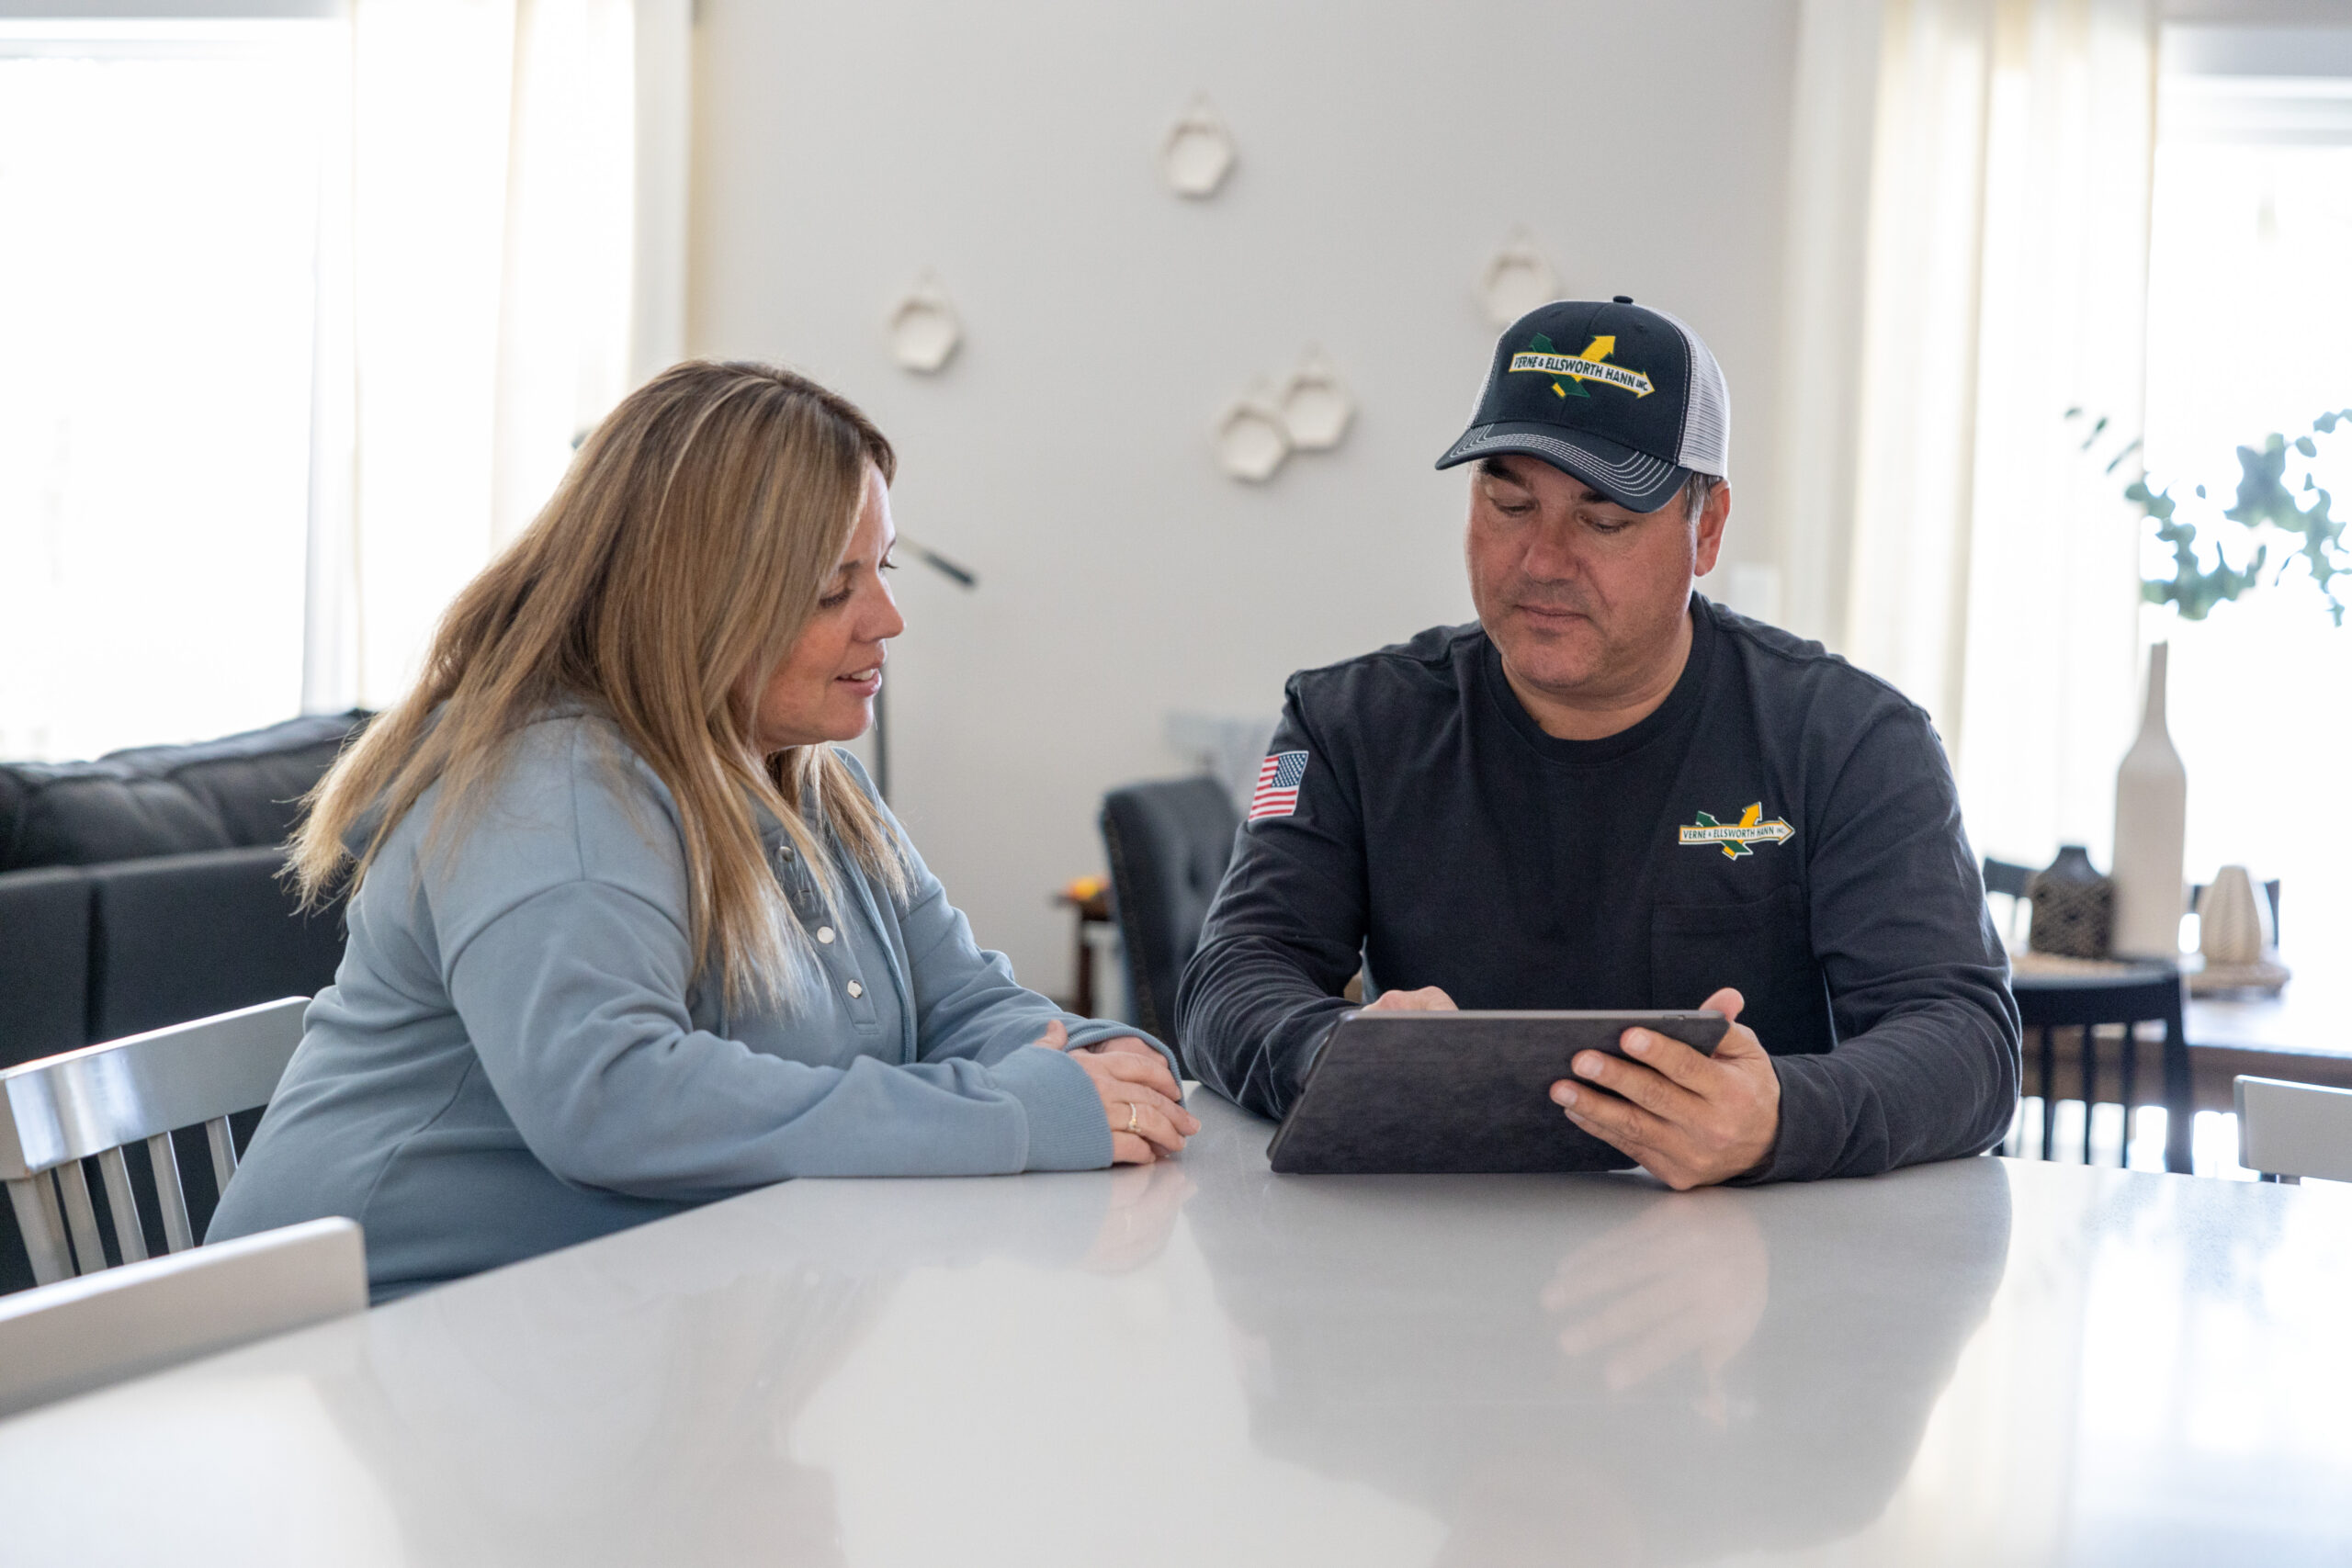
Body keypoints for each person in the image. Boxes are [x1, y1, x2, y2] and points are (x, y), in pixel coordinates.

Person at [210, 360, 1197, 1299]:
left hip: (589, 1329)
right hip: (352, 1354)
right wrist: (1020, 1111)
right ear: (699, 605)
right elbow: (616, 1100)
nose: (888, 618)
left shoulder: (814, 787)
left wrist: (1095, 1073)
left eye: (881, 568)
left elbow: (963, 1007)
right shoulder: (551, 786)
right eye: (832, 588)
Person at [1177, 298, 2019, 1188]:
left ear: (1708, 528)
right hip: (1424, 1265)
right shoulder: (1343, 725)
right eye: (1507, 503)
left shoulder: (1851, 741)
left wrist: (1782, 1118)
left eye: (1602, 519)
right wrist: (1336, 1049)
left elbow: (1966, 1040)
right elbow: (1231, 976)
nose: (1541, 560)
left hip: (1749, 1276)